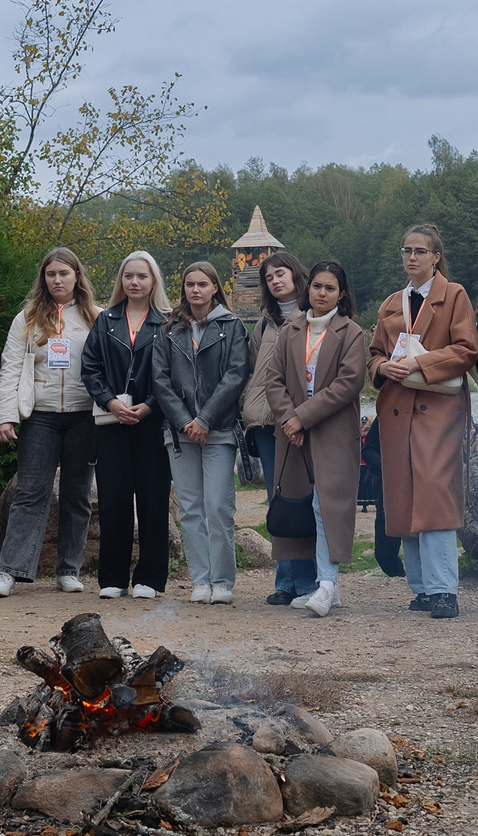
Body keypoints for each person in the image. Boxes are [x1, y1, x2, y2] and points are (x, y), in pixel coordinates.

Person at [371, 224, 478, 619]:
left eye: (420, 251)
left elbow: (467, 349)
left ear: (436, 257)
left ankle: (444, 589)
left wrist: (420, 362)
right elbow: (374, 355)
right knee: (404, 499)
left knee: (434, 493)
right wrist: (383, 366)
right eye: (406, 250)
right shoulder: (389, 304)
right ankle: (420, 589)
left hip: (440, 409)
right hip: (398, 410)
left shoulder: (454, 295)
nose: (412, 257)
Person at [256, 258, 365, 617]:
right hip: (294, 435)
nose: (322, 293)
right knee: (302, 506)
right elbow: (273, 379)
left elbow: (347, 385)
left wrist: (301, 417)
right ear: (308, 290)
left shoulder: (352, 333)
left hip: (333, 432)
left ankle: (327, 584)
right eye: (317, 286)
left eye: (330, 288)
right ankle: (321, 585)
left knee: (327, 507)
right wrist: (289, 419)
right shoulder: (290, 330)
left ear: (341, 294)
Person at [0, 247, 98, 596]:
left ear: (76, 277)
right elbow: (9, 369)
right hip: (40, 416)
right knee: (30, 493)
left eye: (63, 274)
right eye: (51, 274)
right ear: (44, 278)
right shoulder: (27, 317)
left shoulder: (96, 316)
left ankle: (68, 570)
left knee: (77, 495)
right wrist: (5, 416)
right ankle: (10, 570)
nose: (57, 280)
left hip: (85, 416)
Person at [156, 260, 251, 604]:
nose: (195, 290)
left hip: (220, 430)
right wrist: (185, 421)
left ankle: (222, 581)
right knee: (191, 508)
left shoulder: (232, 326)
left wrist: (205, 419)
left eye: (202, 284)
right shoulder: (168, 329)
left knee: (218, 506)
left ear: (215, 287)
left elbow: (236, 375)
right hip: (179, 432)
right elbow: (160, 380)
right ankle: (200, 579)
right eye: (189, 284)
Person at [83, 252, 173, 601]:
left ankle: (149, 578)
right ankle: (113, 578)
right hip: (111, 422)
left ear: (154, 282)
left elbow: (171, 374)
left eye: (142, 276)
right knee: (113, 499)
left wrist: (150, 405)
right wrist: (111, 402)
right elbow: (89, 367)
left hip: (152, 422)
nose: (134, 282)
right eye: (128, 276)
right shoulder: (105, 321)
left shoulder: (166, 323)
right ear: (121, 281)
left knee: (153, 501)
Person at [241, 253, 314, 604]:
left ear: (296, 274)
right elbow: (254, 370)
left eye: (280, 273)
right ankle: (284, 581)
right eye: (268, 277)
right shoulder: (263, 324)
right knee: (277, 500)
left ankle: (306, 580)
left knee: (304, 499)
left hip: (301, 418)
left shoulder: (314, 314)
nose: (275, 281)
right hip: (264, 421)